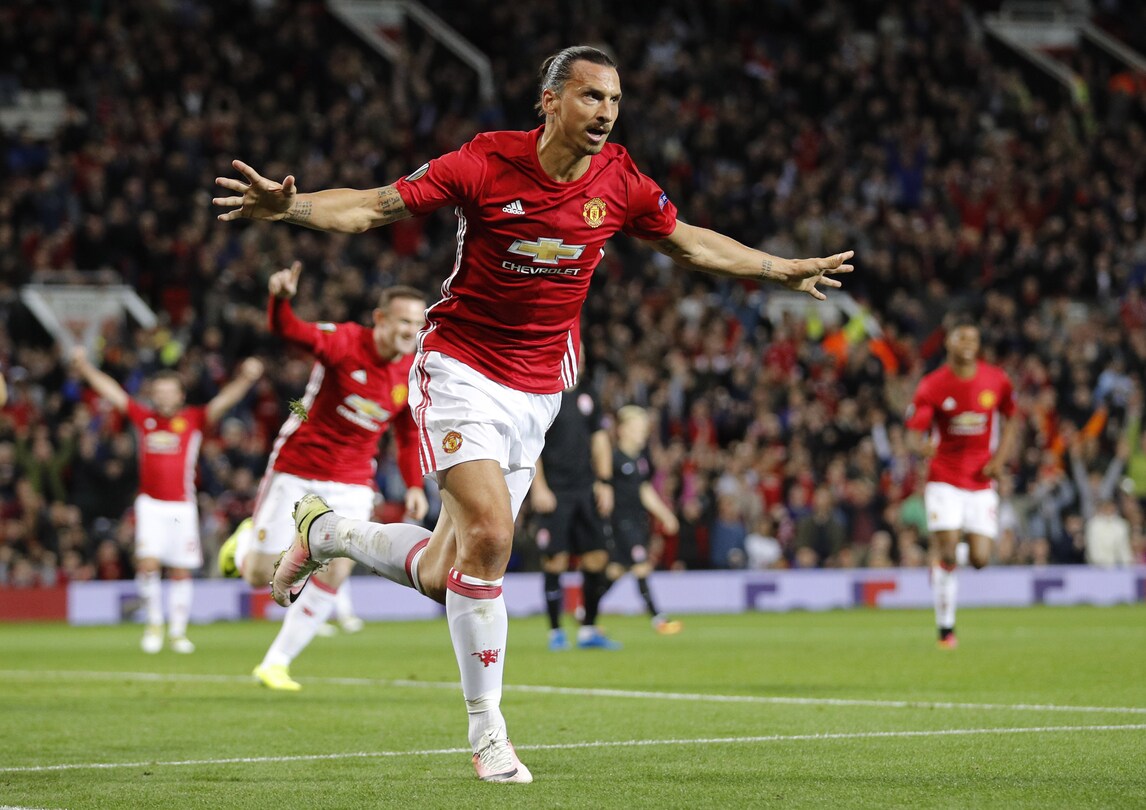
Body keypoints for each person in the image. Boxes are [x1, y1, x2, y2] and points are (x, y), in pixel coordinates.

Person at [214, 45, 853, 783]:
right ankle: (488, 733)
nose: (606, 113)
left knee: (446, 572)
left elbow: (687, 243)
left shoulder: (620, 180)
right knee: (492, 535)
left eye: (614, 100)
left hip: (539, 389)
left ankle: (326, 532)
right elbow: (372, 206)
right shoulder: (485, 162)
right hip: (459, 368)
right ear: (550, 100)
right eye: (591, 97)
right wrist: (289, 207)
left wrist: (780, 268)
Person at [219, 262, 429, 690]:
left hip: (353, 481)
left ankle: (276, 663)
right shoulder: (345, 341)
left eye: (417, 323)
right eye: (404, 321)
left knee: (334, 570)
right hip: (298, 469)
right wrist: (280, 299)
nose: (411, 330)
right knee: (260, 576)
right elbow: (291, 331)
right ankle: (244, 543)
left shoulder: (411, 373)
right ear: (380, 318)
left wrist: (413, 484)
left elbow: (407, 435)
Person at [72, 347, 263, 653]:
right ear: (153, 395)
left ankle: (177, 632)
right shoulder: (144, 418)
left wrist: (246, 378)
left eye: (169, 391)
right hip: (150, 504)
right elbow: (112, 392)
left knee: (180, 570)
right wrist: (84, 368)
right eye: (158, 392)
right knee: (148, 564)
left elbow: (224, 401)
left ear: (180, 395)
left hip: (181, 506)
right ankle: (153, 625)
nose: (163, 397)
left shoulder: (194, 419)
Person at [905, 316, 1020, 649]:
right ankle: (946, 630)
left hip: (981, 480)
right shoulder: (933, 384)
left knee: (981, 559)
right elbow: (914, 431)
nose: (968, 344)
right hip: (944, 477)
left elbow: (1012, 418)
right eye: (962, 338)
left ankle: (942, 562)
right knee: (949, 549)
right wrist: (921, 446)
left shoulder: (996, 380)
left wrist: (999, 460)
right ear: (948, 342)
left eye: (973, 339)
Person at [528, 381, 617, 652]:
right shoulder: (544, 393)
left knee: (597, 557)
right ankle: (556, 632)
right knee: (555, 560)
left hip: (586, 489)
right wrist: (538, 486)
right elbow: (532, 441)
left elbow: (600, 439)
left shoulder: (588, 395)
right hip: (555, 491)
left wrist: (605, 481)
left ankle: (588, 629)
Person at [601, 405, 682, 635]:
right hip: (620, 522)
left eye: (644, 429)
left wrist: (665, 514)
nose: (643, 433)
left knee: (617, 570)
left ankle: (585, 609)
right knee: (641, 566)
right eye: (638, 428)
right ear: (623, 430)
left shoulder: (639, 460)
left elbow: (644, 490)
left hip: (637, 521)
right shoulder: (614, 459)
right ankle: (658, 618)